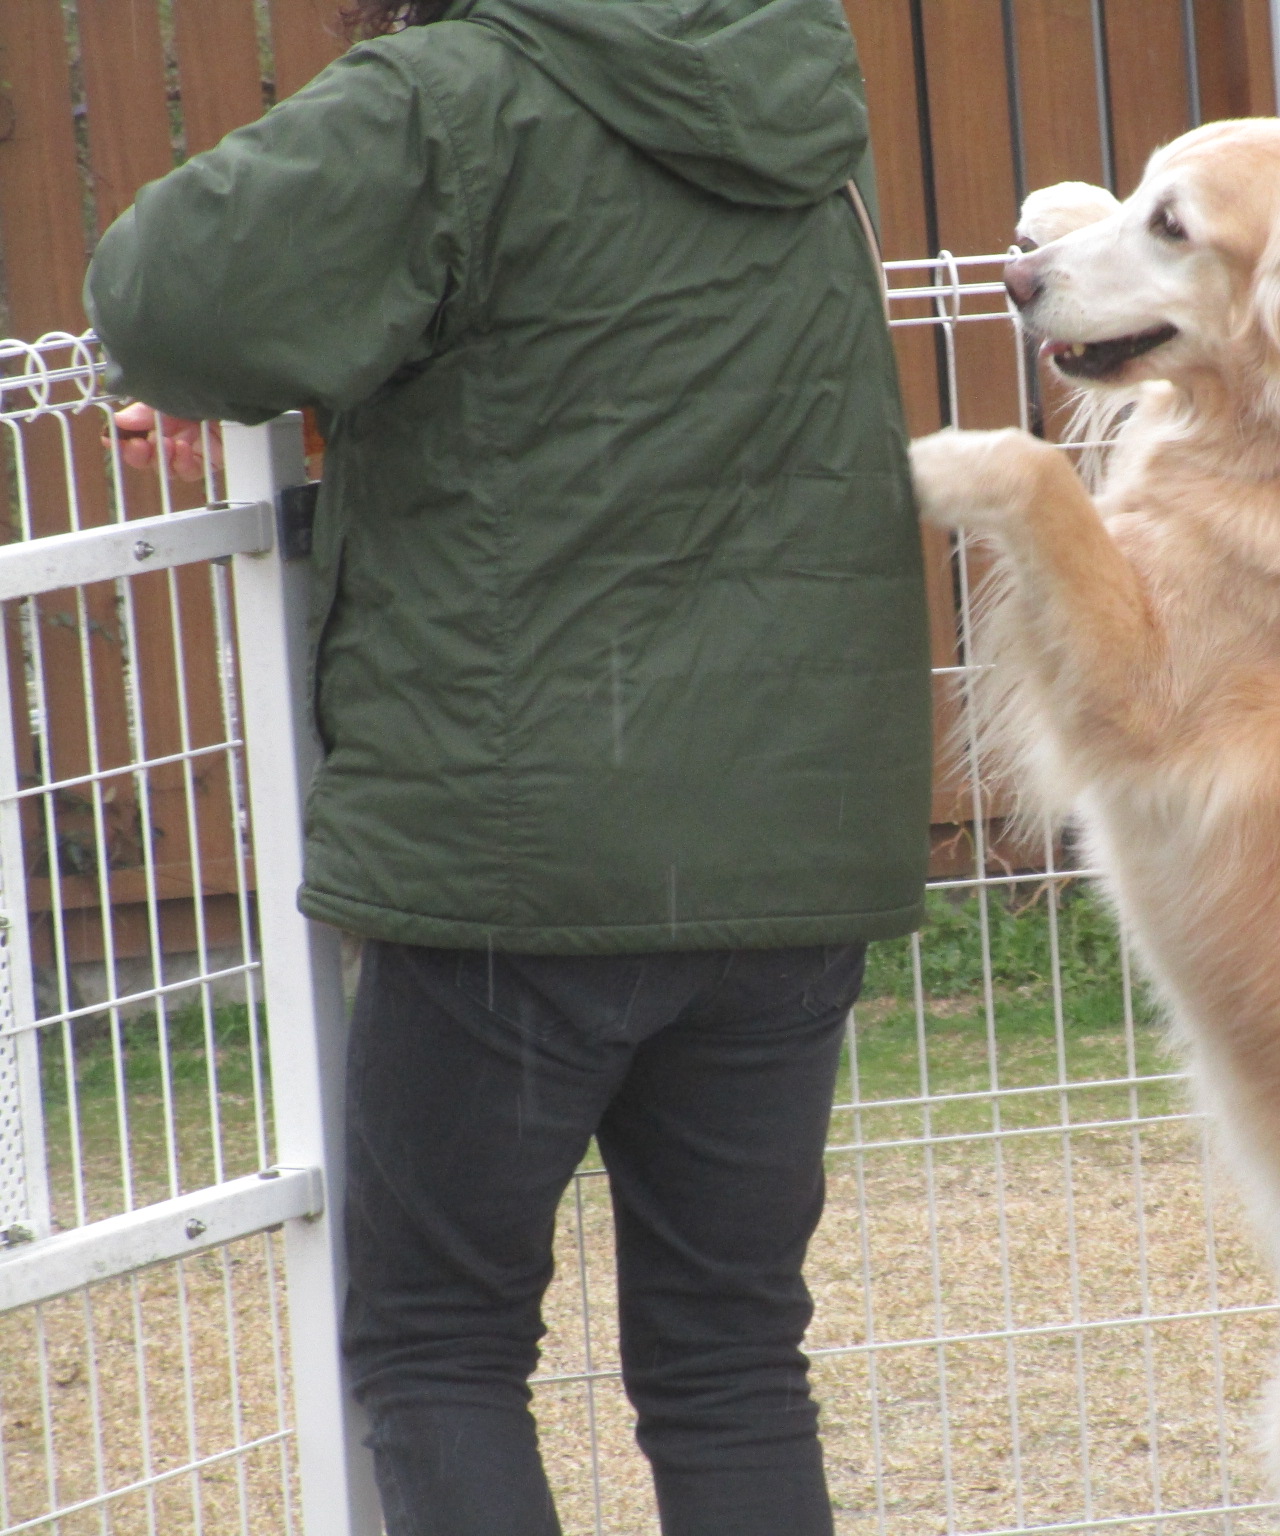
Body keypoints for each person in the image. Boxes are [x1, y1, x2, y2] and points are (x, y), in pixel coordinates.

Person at [84, 1, 931, 1531]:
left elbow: (162, 293)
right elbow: (598, 370)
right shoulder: (799, 94)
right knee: (732, 1358)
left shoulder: (449, 95)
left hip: (513, 854)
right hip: (789, 848)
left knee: (435, 1345)